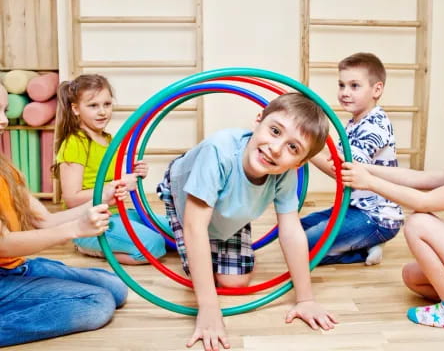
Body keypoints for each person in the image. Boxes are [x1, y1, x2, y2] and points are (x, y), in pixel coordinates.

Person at [157, 92, 337, 350]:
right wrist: (209, 308)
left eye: (292, 147)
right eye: (275, 131)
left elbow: (291, 230)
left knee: (235, 282)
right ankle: (166, 228)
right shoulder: (218, 151)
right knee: (196, 237)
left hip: (229, 206)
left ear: (300, 163)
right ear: (258, 120)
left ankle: (225, 219)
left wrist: (305, 298)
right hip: (185, 193)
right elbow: (195, 228)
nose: (276, 148)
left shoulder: (284, 174)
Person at [341, 85, 444, 331]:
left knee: (419, 221)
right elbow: (418, 178)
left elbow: (423, 201)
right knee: (412, 277)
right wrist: (363, 167)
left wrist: (370, 182)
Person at [0, 83, 129, 346]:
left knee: (115, 288)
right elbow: (3, 243)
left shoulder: (4, 168)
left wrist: (104, 197)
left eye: (3, 110)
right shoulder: (75, 143)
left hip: (16, 267)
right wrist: (75, 229)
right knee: (97, 303)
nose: (4, 120)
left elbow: (43, 220)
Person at [301, 52, 403, 266]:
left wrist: (304, 150)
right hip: (353, 207)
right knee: (295, 232)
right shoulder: (355, 122)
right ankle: (362, 242)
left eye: (354, 86)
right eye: (341, 85)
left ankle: (365, 248)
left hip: (377, 217)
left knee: (303, 247)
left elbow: (342, 170)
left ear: (377, 89)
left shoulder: (374, 126)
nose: (345, 92)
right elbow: (332, 157)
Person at [54, 74, 166, 265]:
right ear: (75, 109)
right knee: (153, 245)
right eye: (93, 106)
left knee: (173, 225)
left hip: (117, 212)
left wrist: (134, 176)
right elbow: (71, 198)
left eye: (107, 104)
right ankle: (88, 246)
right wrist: (118, 184)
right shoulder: (75, 143)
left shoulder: (109, 140)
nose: (102, 112)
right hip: (90, 221)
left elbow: (110, 182)